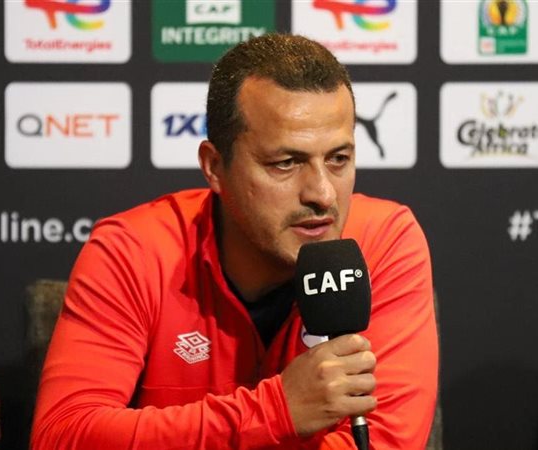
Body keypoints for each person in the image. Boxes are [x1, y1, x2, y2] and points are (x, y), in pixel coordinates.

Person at [31, 34, 438, 449]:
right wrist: (277, 411)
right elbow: (61, 437)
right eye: (286, 163)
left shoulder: (384, 241)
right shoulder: (133, 251)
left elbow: (384, 443)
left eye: (338, 159)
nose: (323, 193)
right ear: (214, 166)